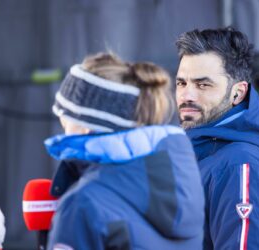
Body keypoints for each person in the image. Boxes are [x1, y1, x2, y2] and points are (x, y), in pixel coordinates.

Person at [44, 53, 204, 250]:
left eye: (65, 119)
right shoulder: (182, 184)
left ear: (86, 126)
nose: (64, 129)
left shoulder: (83, 204)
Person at [175, 27, 259, 250]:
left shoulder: (241, 164)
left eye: (203, 85)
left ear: (238, 93)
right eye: (182, 83)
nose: (187, 96)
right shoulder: (200, 152)